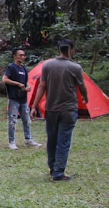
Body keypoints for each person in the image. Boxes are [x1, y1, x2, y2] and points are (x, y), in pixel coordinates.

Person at [31, 39, 88, 182]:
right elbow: (82, 87)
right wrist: (86, 98)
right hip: (68, 110)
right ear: (71, 50)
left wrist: (34, 106)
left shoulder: (47, 65)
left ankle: (52, 168)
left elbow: (41, 86)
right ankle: (58, 173)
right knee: (64, 141)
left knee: (52, 140)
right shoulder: (75, 67)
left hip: (51, 109)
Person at [2, 47, 42, 150]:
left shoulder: (23, 69)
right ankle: (11, 142)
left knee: (26, 119)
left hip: (23, 98)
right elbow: (4, 79)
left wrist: (27, 86)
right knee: (13, 120)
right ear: (15, 56)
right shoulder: (11, 67)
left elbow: (25, 82)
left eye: (24, 55)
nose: (23, 57)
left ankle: (28, 140)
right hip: (14, 97)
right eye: (20, 55)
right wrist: (17, 84)